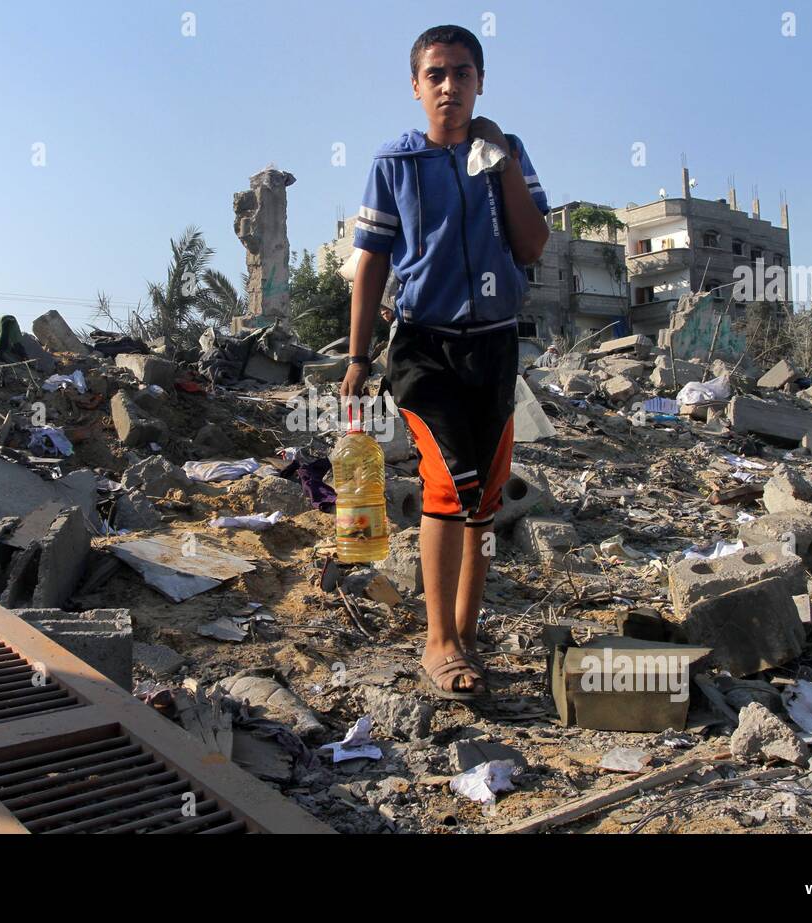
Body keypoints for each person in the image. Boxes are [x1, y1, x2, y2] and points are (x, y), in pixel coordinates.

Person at [340, 24, 550, 699]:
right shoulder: (396, 164)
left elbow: (532, 243)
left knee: (483, 498)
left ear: (480, 82)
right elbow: (370, 261)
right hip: (424, 346)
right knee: (445, 480)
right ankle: (437, 643)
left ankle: (463, 634)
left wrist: (503, 162)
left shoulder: (508, 152)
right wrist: (356, 354)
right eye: (436, 74)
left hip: (494, 346)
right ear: (415, 86)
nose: (450, 86)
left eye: (462, 73)